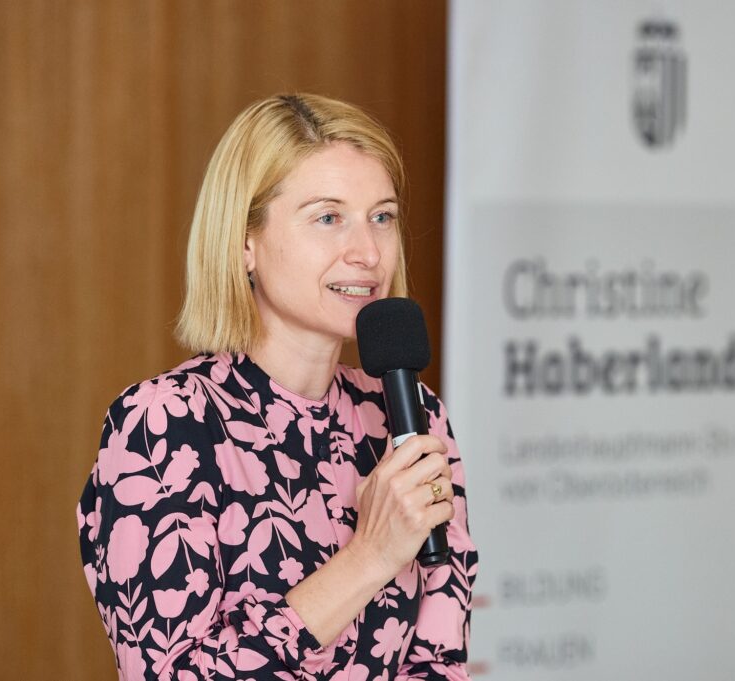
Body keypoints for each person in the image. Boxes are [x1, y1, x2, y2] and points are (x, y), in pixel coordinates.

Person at [76, 94, 478, 680]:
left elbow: (439, 661)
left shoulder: (412, 415)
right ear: (245, 243)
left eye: (382, 217)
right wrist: (370, 556)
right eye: (328, 218)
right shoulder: (162, 425)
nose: (368, 253)